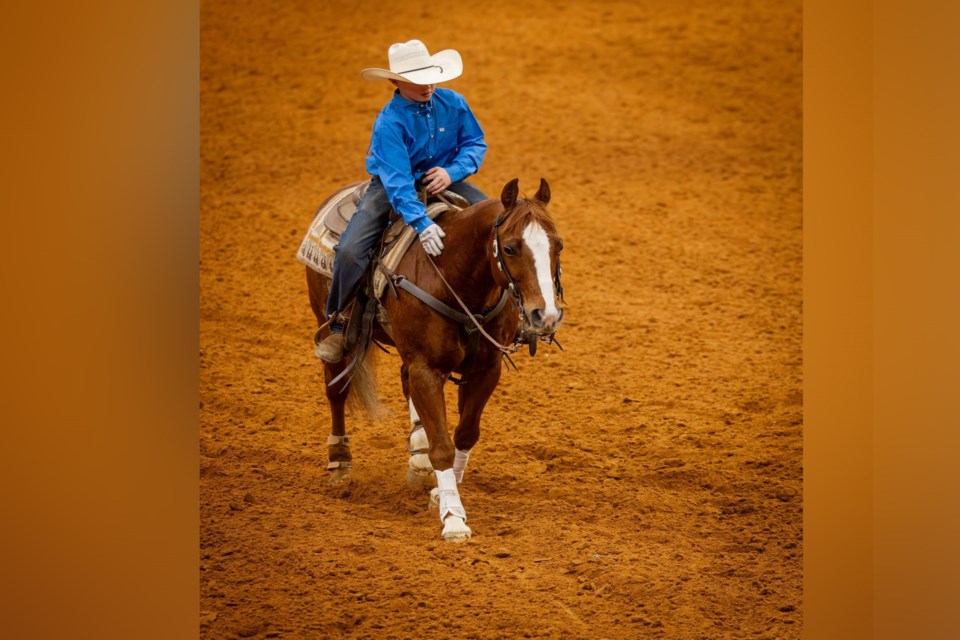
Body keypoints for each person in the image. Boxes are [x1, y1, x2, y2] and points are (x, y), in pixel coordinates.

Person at [316, 39, 488, 363]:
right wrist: (421, 222)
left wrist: (452, 173)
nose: (426, 85)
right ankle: (338, 323)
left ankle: (505, 311)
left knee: (497, 222)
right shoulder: (389, 122)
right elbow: (397, 182)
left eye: (429, 76)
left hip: (444, 178)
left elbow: (475, 144)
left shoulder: (454, 102)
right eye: (416, 79)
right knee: (352, 250)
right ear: (395, 82)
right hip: (394, 185)